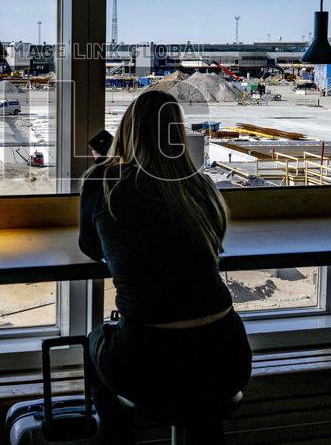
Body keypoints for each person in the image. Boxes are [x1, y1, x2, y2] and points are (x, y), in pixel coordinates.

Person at [79, 90, 252, 443]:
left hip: (149, 360)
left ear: (127, 131)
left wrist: (106, 165)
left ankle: (115, 438)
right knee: (202, 396)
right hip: (228, 356)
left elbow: (91, 247)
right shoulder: (200, 187)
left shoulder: (105, 181)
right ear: (177, 134)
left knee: (94, 343)